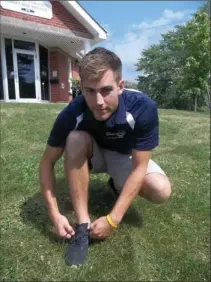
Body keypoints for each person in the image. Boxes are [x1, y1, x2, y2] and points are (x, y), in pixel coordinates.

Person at [39, 47, 172, 266]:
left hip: (124, 156)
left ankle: (117, 186)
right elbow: (47, 162)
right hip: (93, 153)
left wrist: (113, 219)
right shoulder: (73, 112)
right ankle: (82, 226)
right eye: (90, 91)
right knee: (74, 139)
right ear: (81, 87)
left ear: (121, 86)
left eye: (106, 90)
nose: (99, 101)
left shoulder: (143, 108)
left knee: (161, 190)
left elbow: (140, 167)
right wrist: (54, 213)